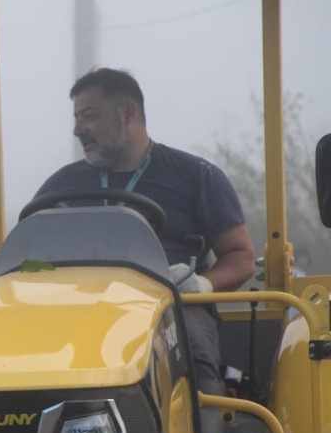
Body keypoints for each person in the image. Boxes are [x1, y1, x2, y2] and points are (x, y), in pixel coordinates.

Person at [36, 67, 256, 395]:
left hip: (173, 308)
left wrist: (201, 283)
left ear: (127, 112)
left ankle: (206, 430)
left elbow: (242, 257)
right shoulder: (59, 187)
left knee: (191, 355)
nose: (77, 129)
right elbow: (25, 255)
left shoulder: (196, 176)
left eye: (89, 116)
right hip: (78, 310)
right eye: (76, 118)